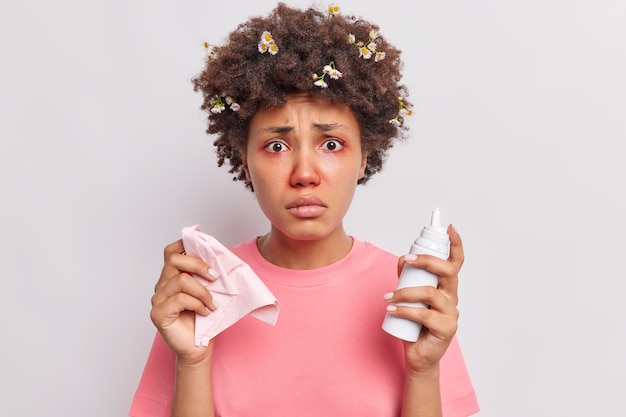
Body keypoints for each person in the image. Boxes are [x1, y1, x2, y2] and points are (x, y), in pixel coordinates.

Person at [129, 3, 479, 417]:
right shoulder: (205, 289)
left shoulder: (411, 293)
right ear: (245, 161)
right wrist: (192, 361)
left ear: (364, 156)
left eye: (331, 144)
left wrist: (423, 370)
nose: (305, 174)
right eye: (276, 146)